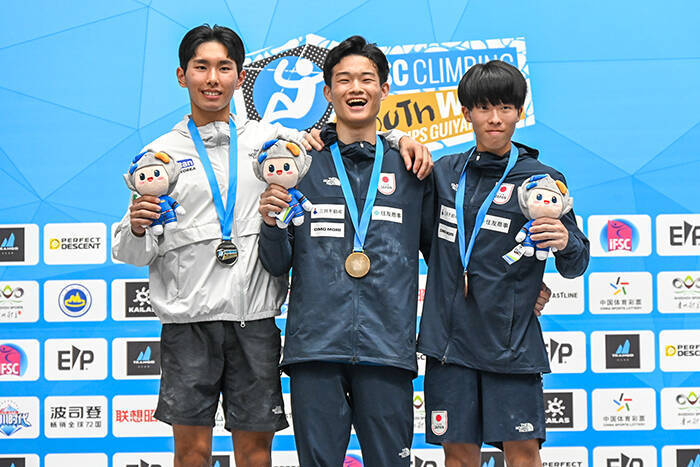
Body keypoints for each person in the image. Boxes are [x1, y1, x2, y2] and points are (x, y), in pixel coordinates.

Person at [112, 25, 430, 467]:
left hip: (254, 322)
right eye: (201, 67)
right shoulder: (159, 156)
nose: (212, 79)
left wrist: (398, 138)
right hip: (189, 325)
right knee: (191, 453)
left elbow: (348, 133)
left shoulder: (274, 143)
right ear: (182, 75)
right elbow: (131, 252)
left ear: (240, 77)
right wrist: (136, 227)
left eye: (224, 68)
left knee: (255, 454)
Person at [257, 35, 434, 466]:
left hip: (387, 350)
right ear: (327, 92)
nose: (356, 88)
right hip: (315, 349)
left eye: (367, 79)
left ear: (384, 89)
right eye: (344, 79)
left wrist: (518, 287)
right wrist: (271, 222)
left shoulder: (412, 167)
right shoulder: (299, 163)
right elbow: (276, 263)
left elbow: (446, 258)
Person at [417, 60, 590, 467]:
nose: (495, 118)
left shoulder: (542, 180)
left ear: (519, 112)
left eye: (505, 108)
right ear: (466, 112)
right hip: (449, 344)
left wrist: (565, 242)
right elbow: (423, 245)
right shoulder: (443, 174)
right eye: (484, 107)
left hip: (511, 344)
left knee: (524, 454)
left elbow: (576, 263)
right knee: (459, 455)